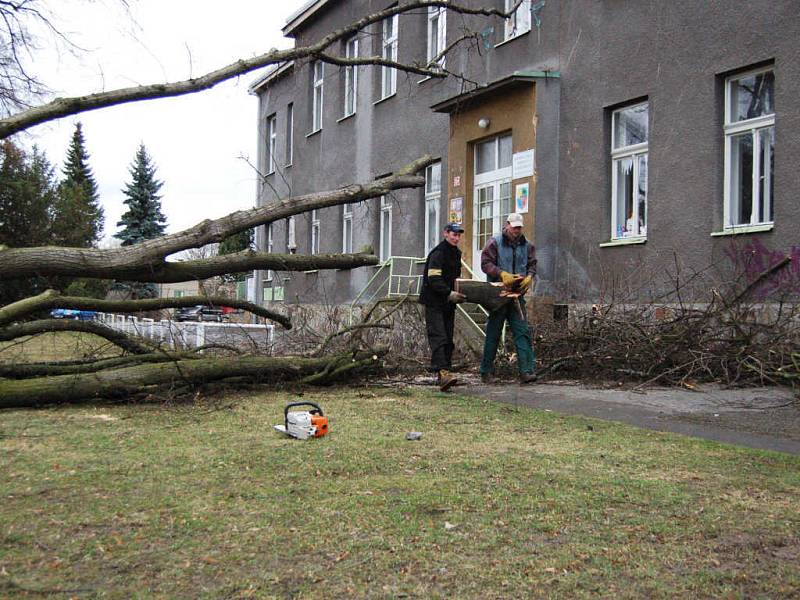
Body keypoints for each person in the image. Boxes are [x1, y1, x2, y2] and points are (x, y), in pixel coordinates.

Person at [479, 212, 538, 384]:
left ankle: (526, 372)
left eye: (519, 227)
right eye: (514, 227)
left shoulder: (527, 245)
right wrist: (501, 273)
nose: (517, 230)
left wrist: (530, 276)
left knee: (522, 332)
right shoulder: (494, 242)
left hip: (517, 296)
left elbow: (532, 264)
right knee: (493, 333)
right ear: (507, 225)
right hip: (498, 295)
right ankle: (486, 371)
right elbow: (485, 263)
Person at [419, 222, 466, 391]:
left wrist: (459, 292)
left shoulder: (456, 253)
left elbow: (455, 278)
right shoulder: (438, 253)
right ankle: (443, 373)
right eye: (454, 234)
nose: (456, 238)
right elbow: (433, 279)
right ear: (445, 233)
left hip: (448, 303)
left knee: (448, 336)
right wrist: (449, 293)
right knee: (439, 337)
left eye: (459, 235)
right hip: (434, 301)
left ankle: (445, 373)